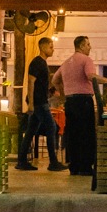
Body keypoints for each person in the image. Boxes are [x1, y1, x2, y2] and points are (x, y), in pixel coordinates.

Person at [51, 36, 107, 176]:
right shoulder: (86, 60)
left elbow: (55, 80)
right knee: (86, 134)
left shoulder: (66, 62)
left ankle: (74, 167)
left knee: (73, 134)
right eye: (88, 44)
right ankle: (85, 167)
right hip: (84, 101)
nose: (90, 47)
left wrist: (63, 94)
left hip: (70, 102)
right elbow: (91, 76)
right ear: (81, 46)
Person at [17, 37, 68, 172]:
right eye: (51, 47)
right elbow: (31, 82)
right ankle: (53, 162)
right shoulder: (37, 62)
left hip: (40, 100)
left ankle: (21, 161)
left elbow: (39, 84)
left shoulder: (42, 63)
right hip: (39, 102)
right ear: (43, 47)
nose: (53, 49)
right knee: (52, 127)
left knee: (31, 131)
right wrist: (31, 104)